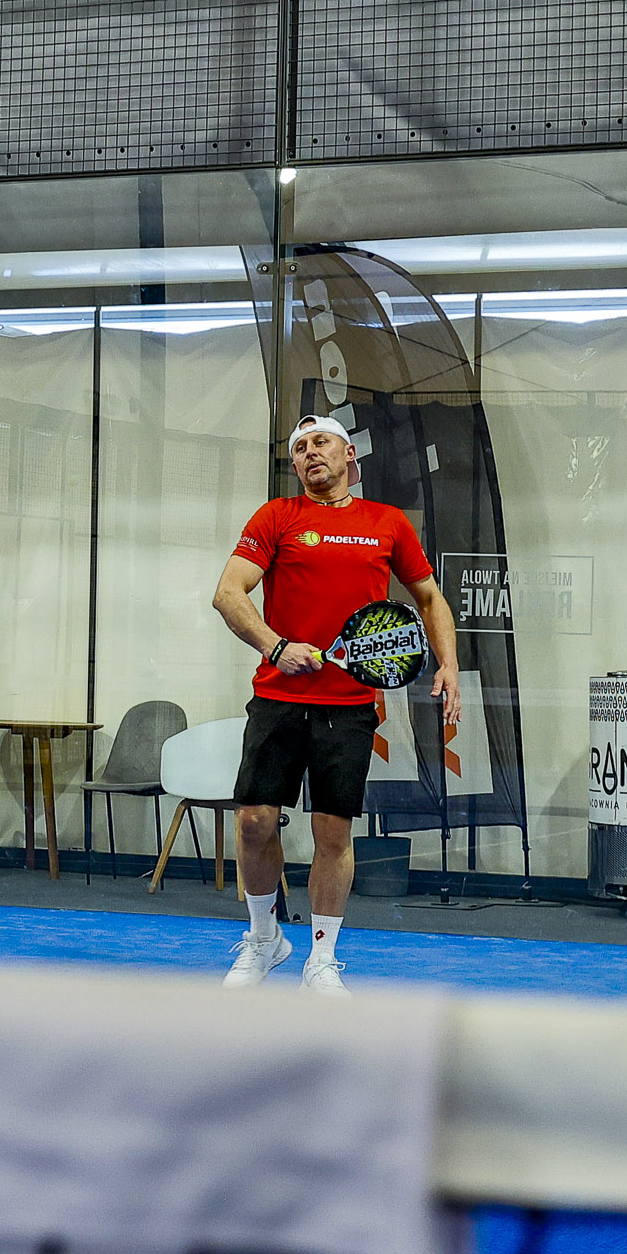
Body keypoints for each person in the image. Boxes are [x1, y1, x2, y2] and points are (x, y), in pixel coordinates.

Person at [210, 415, 460, 994]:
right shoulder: (277, 517)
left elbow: (428, 597)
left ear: (350, 453)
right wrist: (277, 646)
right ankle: (264, 939)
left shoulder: (387, 524)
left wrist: (447, 664)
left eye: (320, 442)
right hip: (277, 698)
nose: (309, 453)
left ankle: (321, 960)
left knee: (333, 835)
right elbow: (227, 594)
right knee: (254, 822)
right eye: (298, 449)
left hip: (348, 707)